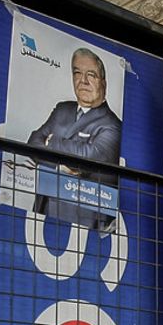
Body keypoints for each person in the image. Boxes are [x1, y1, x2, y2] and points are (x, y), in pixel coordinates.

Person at [27, 48, 123, 228]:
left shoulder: (113, 125)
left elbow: (88, 157)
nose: (83, 81)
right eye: (77, 73)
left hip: (86, 222)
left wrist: (51, 143)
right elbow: (33, 143)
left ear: (103, 82)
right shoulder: (62, 109)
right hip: (45, 210)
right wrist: (62, 165)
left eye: (91, 75)